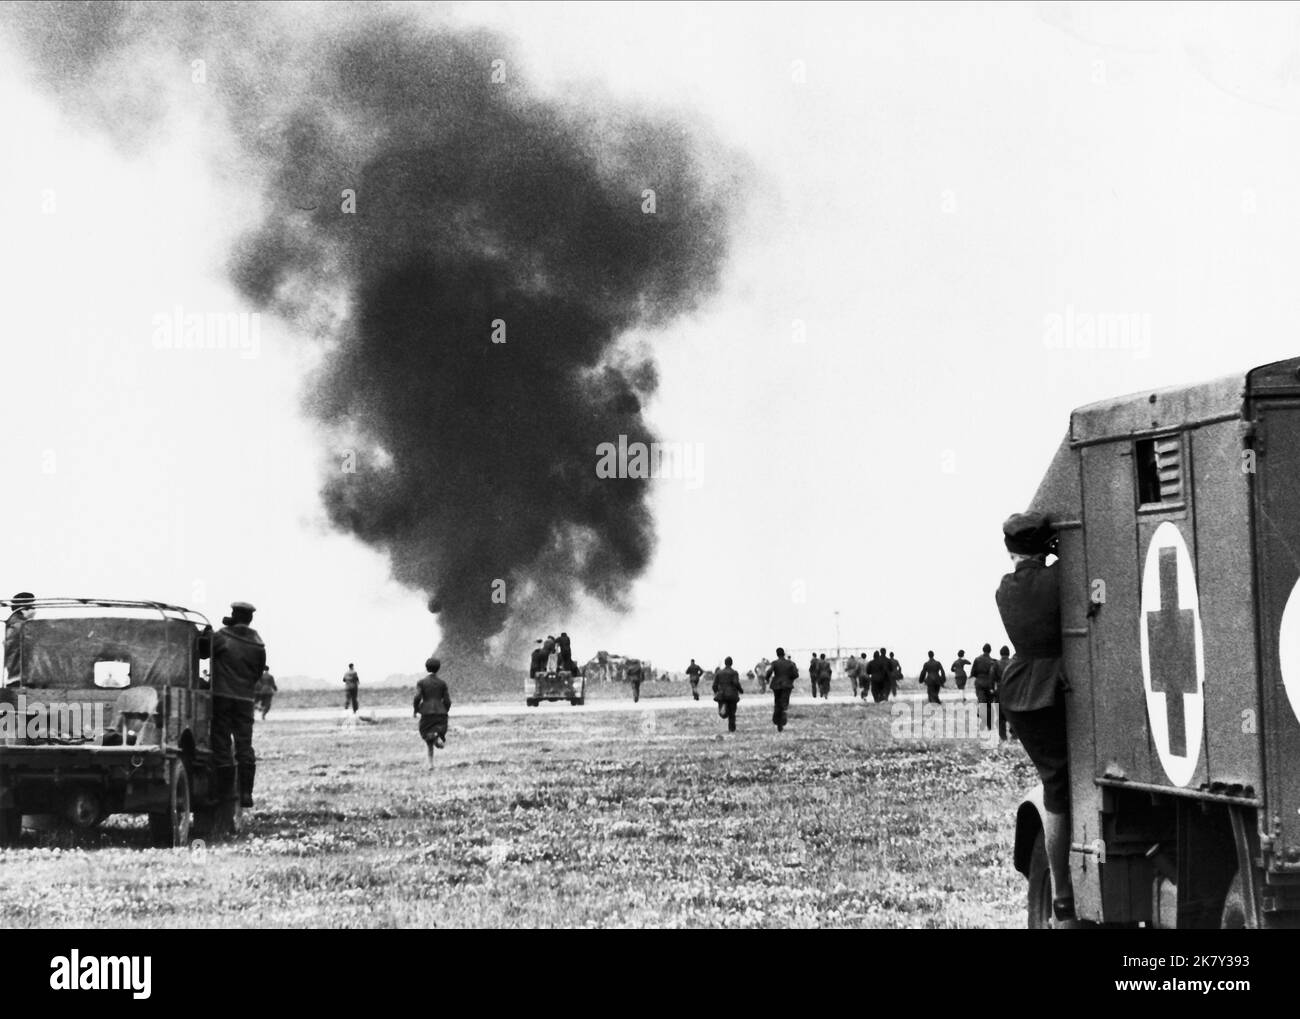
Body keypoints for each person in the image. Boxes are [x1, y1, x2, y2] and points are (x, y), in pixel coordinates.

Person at [995, 511, 1073, 922]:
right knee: (1061, 790)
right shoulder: (1060, 579)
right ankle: (1063, 889)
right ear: (1045, 547)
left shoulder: (1004, 590)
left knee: (1053, 785)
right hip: (1054, 688)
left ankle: (1060, 890)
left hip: (1020, 690)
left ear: (1010, 551)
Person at [211, 600, 267, 814]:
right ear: (250, 618)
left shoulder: (223, 637)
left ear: (234, 615)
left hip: (222, 697)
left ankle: (225, 793)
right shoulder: (258, 644)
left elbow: (204, 654)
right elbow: (257, 673)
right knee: (244, 745)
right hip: (245, 699)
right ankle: (246, 793)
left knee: (222, 742)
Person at [413, 656, 452, 769]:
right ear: (438, 668)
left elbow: (417, 697)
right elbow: (448, 700)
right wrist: (445, 710)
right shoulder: (442, 683)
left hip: (426, 712)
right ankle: (431, 762)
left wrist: (415, 709)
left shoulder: (422, 682)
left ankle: (430, 763)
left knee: (426, 735)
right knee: (435, 734)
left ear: (426, 668)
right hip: (441, 712)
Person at [4, 592, 35, 685]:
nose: (34, 610)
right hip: (20, 679)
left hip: (17, 677)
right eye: (32, 606)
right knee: (22, 698)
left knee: (24, 698)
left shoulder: (12, 624)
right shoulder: (20, 626)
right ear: (23, 609)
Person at [767, 647, 798, 732]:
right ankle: (782, 718)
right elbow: (795, 674)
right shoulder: (791, 663)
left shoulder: (774, 663)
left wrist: (767, 679)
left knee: (777, 702)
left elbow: (769, 672)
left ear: (777, 654)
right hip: (787, 685)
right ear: (784, 654)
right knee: (784, 702)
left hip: (776, 685)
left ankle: (777, 719)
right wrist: (790, 679)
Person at [712, 655, 743, 732]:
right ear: (731, 663)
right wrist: (740, 690)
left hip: (722, 695)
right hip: (732, 695)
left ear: (725, 663)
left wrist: (716, 692)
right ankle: (732, 729)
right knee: (732, 713)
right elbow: (736, 682)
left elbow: (714, 685)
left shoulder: (719, 673)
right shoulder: (734, 673)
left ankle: (724, 711)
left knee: (723, 713)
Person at [988, 645, 1011, 742]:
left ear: (1000, 654)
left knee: (1000, 714)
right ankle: (1014, 734)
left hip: (1000, 690)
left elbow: (991, 677)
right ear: (1008, 653)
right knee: (1012, 712)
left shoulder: (996, 664)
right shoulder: (1013, 663)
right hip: (1012, 689)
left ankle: (1003, 736)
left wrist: (992, 689)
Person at [972, 643, 997, 733]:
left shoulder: (977, 660)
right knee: (989, 705)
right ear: (990, 651)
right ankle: (990, 726)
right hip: (989, 684)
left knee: (982, 702)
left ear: (983, 650)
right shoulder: (993, 661)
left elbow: (973, 673)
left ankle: (981, 713)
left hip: (979, 683)